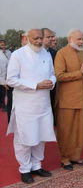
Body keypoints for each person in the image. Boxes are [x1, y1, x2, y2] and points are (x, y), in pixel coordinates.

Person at [6, 29, 56, 184]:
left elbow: (53, 74)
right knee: (25, 138)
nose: (39, 41)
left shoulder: (46, 54)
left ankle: (36, 165)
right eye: (35, 38)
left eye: (41, 38)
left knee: (41, 136)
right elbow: (11, 80)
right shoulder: (18, 55)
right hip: (25, 106)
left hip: (43, 104)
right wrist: (35, 85)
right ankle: (25, 169)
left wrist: (51, 82)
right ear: (27, 38)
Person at [54, 29, 83, 170]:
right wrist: (81, 72)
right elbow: (60, 76)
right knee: (66, 130)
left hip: (81, 98)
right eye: (79, 39)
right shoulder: (61, 53)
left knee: (79, 130)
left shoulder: (82, 53)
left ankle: (75, 157)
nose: (82, 42)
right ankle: (65, 159)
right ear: (70, 39)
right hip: (67, 100)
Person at [42, 28, 57, 124]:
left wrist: (52, 81)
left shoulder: (54, 53)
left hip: (51, 87)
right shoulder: (32, 52)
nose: (52, 39)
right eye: (49, 37)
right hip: (36, 90)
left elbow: (55, 71)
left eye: (52, 37)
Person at [0, 40, 12, 115]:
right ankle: (3, 105)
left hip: (9, 76)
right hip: (1, 76)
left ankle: (7, 105)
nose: (3, 46)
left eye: (4, 45)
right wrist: (2, 81)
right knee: (2, 92)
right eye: (1, 45)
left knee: (8, 92)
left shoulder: (9, 52)